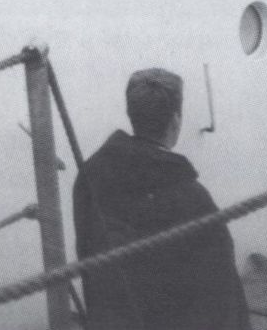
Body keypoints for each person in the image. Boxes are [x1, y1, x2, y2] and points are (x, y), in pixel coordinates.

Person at [73, 68, 251, 330]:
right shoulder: (192, 199)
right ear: (176, 120)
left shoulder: (90, 178)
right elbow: (223, 292)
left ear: (132, 114)